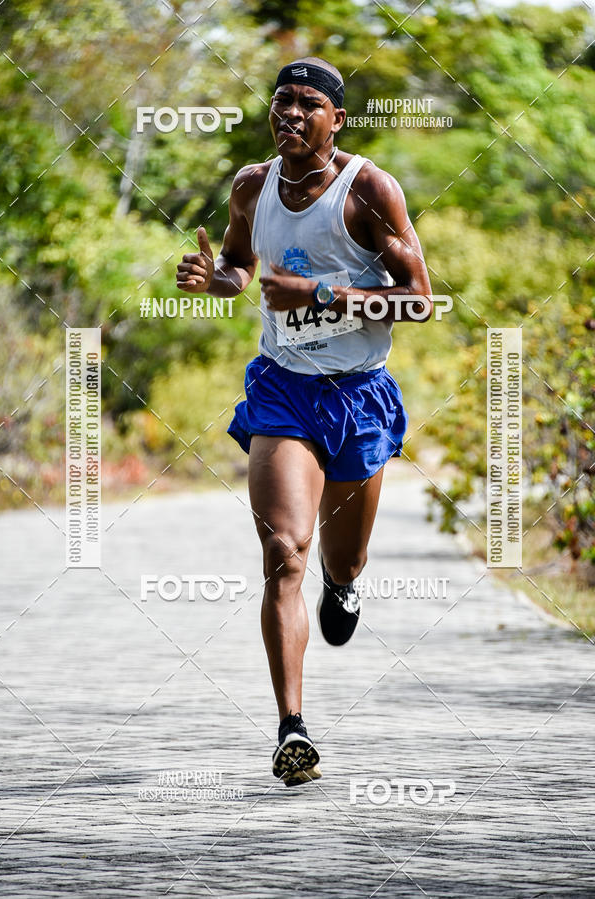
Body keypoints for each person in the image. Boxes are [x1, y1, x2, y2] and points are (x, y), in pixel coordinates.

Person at [176, 56, 432, 787]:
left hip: (359, 395)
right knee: (284, 550)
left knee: (338, 559)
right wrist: (214, 281)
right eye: (281, 101)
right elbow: (238, 266)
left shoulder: (369, 191)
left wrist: (320, 294)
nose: (290, 113)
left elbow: (418, 300)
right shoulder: (251, 186)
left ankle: (344, 582)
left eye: (308, 104)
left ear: (337, 120)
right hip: (283, 390)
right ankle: (292, 729)